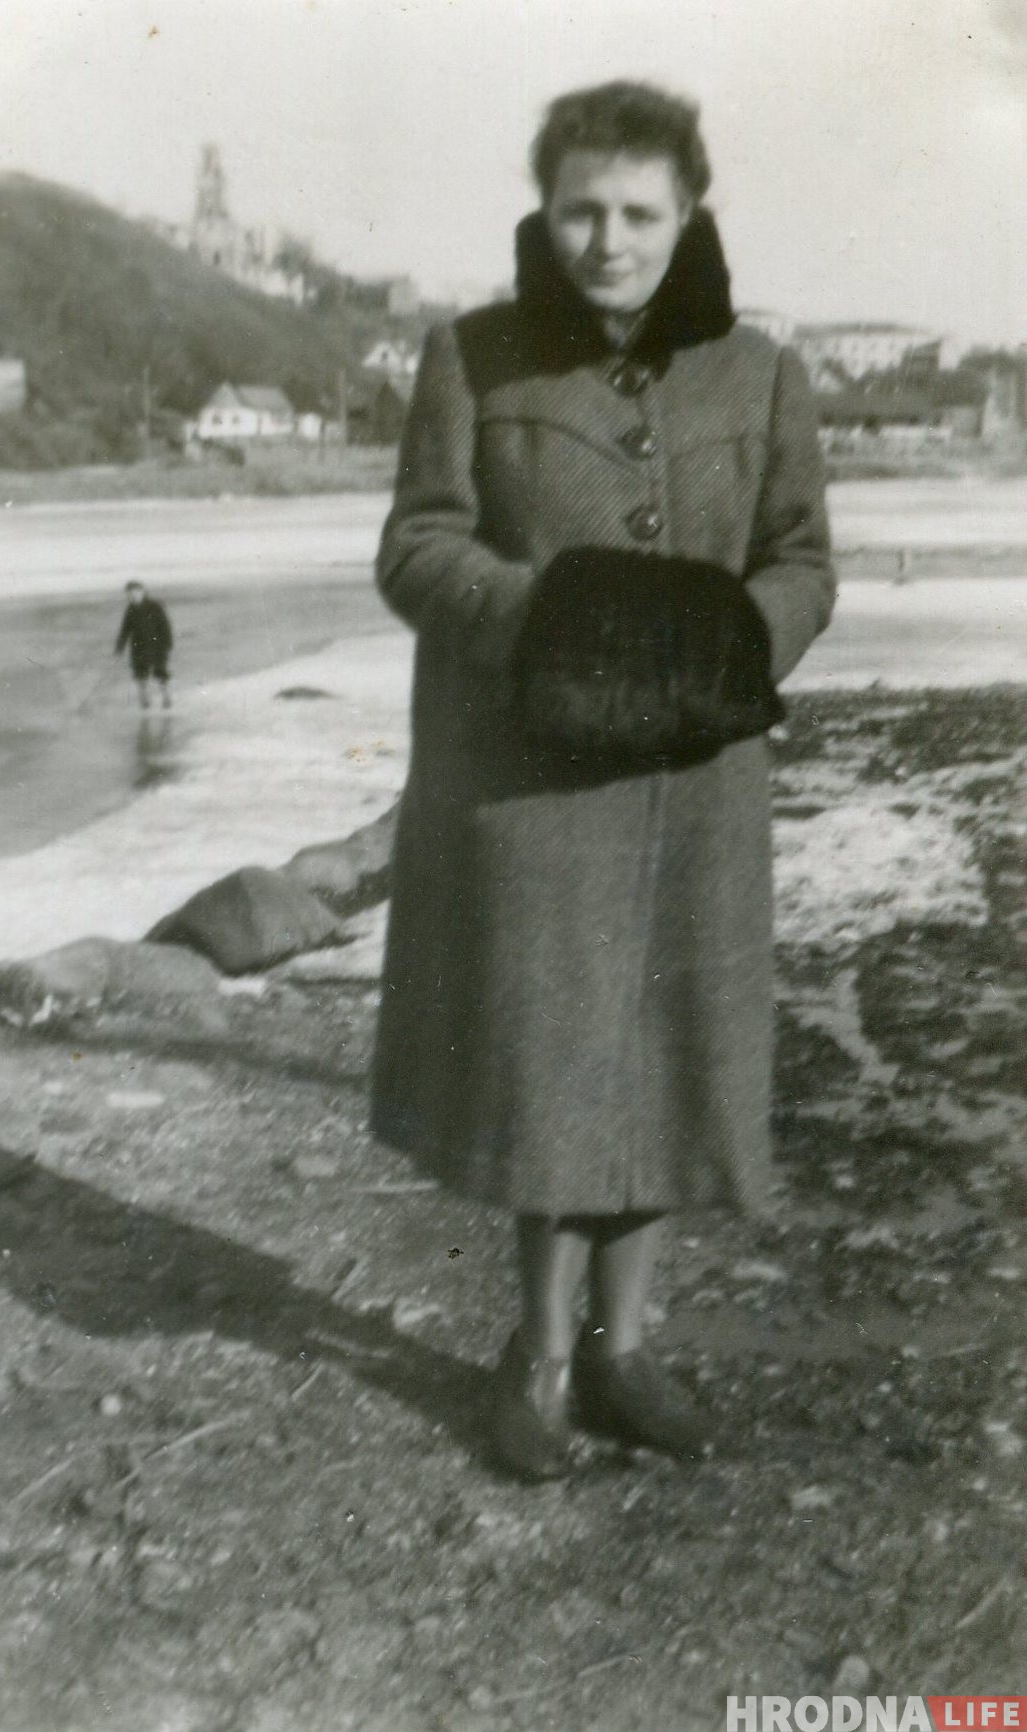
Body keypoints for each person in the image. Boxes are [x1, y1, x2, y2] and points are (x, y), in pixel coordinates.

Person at [370, 81, 835, 1480]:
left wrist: (738, 641)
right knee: (558, 1067)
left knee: (672, 1057)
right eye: (581, 207)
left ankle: (629, 1353)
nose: (607, 239)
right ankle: (542, 1354)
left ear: (689, 212)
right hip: (536, 786)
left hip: (699, 786)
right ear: (544, 205)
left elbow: (803, 559)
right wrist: (553, 623)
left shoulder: (764, 375)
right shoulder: (475, 357)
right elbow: (417, 548)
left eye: (639, 211)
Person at [114, 581, 173, 709]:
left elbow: (165, 626)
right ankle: (144, 699)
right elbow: (125, 630)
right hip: (138, 647)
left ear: (142, 591)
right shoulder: (130, 609)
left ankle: (166, 697)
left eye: (135, 592)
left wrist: (168, 644)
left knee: (160, 672)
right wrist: (119, 647)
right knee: (140, 673)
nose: (132, 596)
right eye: (129, 594)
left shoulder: (155, 606)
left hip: (157, 645)